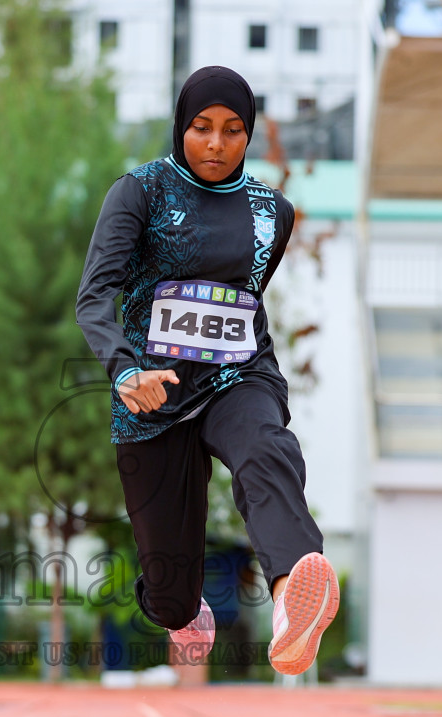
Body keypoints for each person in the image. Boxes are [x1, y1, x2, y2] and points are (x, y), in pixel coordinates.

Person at [76, 66, 339, 678]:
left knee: (266, 450)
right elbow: (95, 297)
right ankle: (181, 608)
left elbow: (244, 297)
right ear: (180, 127)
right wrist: (124, 371)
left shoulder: (274, 213)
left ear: (249, 136)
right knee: (169, 591)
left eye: (232, 130)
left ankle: (291, 594)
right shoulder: (138, 193)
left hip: (237, 375)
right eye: (201, 128)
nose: (216, 144)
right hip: (151, 393)